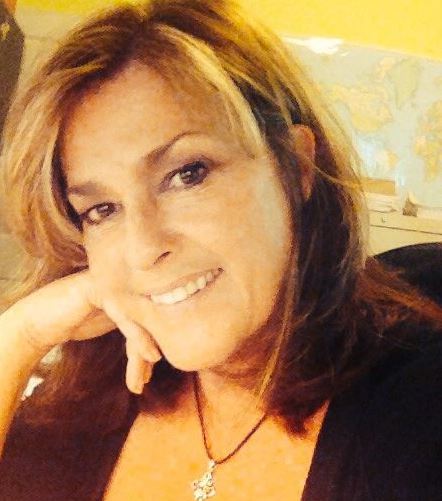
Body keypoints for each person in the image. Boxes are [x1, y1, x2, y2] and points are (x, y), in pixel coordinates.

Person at [0, 1, 441, 499]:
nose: (144, 249)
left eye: (187, 174)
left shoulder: (415, 412)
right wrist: (20, 335)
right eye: (102, 209)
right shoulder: (78, 413)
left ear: (296, 166)